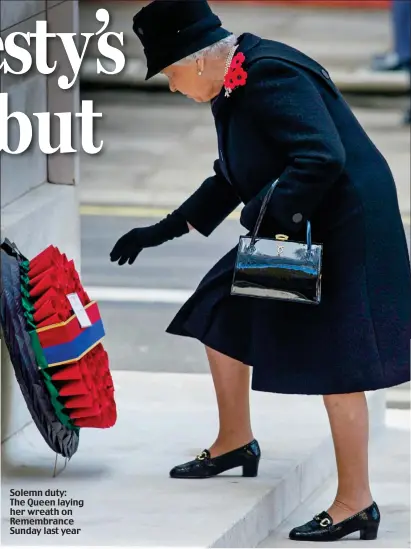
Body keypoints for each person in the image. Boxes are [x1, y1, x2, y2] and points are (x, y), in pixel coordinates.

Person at [110, 0, 411, 542]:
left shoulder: (268, 74)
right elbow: (231, 174)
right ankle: (235, 441)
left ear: (197, 60)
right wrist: (163, 229)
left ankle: (355, 503)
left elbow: (321, 157)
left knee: (338, 364)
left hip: (344, 227)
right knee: (219, 307)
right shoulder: (229, 82)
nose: (173, 88)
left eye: (172, 75)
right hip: (298, 218)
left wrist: (262, 215)